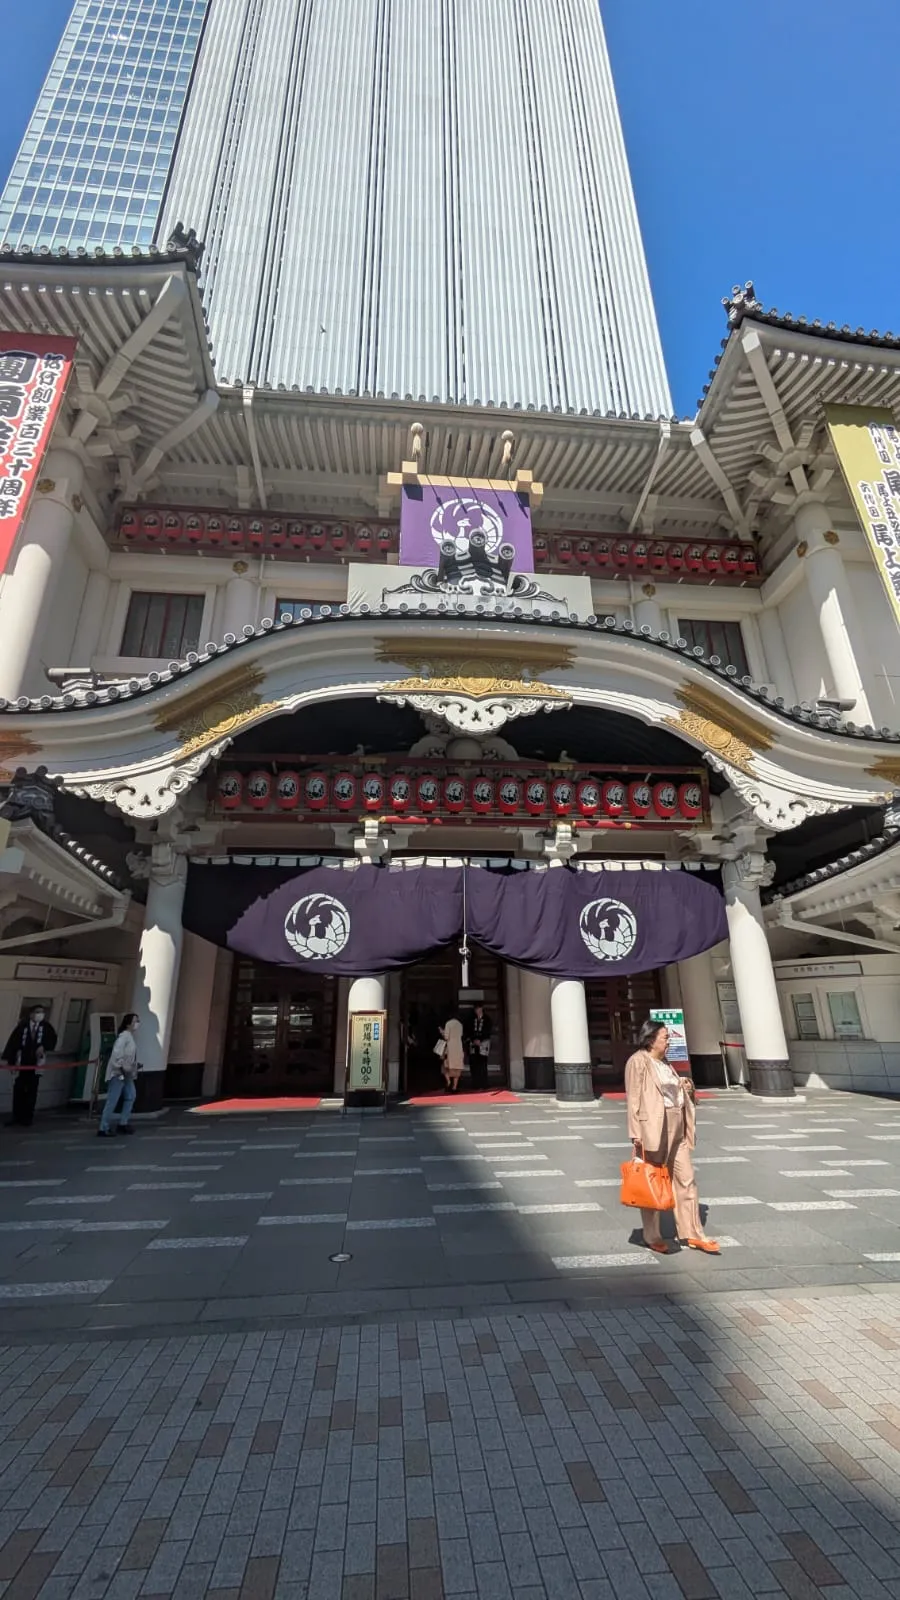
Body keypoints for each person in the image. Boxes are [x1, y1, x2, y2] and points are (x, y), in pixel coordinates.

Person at [624, 1018, 719, 1255]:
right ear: (651, 1039)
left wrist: (684, 1086)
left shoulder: (665, 1062)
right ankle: (652, 1234)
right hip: (653, 1127)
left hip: (676, 1124)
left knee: (686, 1179)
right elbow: (633, 1098)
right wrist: (635, 1132)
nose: (669, 1041)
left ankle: (693, 1233)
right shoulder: (638, 1062)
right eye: (665, 1037)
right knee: (652, 1180)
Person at [3, 1006, 57, 1128]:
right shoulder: (22, 1026)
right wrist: (11, 1063)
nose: (40, 1015)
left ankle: (28, 1117)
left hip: (36, 1063)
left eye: (41, 1012)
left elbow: (52, 1039)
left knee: (32, 1090)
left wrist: (43, 1046)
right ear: (31, 1014)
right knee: (18, 1090)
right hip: (22, 1062)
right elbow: (13, 1043)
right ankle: (16, 1116)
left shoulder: (46, 1027)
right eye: (37, 1012)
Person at [97, 1015, 140, 1137]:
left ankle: (123, 1122)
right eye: (135, 1021)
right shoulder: (123, 1037)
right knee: (113, 1099)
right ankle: (103, 1127)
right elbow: (117, 1053)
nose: (137, 1023)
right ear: (128, 1024)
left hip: (127, 1073)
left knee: (131, 1096)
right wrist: (121, 1066)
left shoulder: (130, 1037)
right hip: (118, 1073)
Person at [464, 1003, 492, 1091]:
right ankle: (475, 1083)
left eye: (479, 1009)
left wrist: (481, 1039)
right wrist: (473, 1039)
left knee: (483, 1064)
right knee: (474, 1064)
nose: (478, 1011)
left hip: (483, 1043)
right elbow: (468, 1030)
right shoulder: (471, 1019)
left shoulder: (487, 1019)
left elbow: (488, 1031)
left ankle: (484, 1083)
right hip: (473, 1043)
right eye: (476, 1009)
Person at [439, 1015, 465, 1093]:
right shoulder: (460, 1024)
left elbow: (446, 1037)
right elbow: (461, 1035)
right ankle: (455, 1087)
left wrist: (442, 1032)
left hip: (450, 1047)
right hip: (458, 1047)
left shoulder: (448, 1023)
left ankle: (449, 1082)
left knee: (446, 1066)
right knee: (457, 1068)